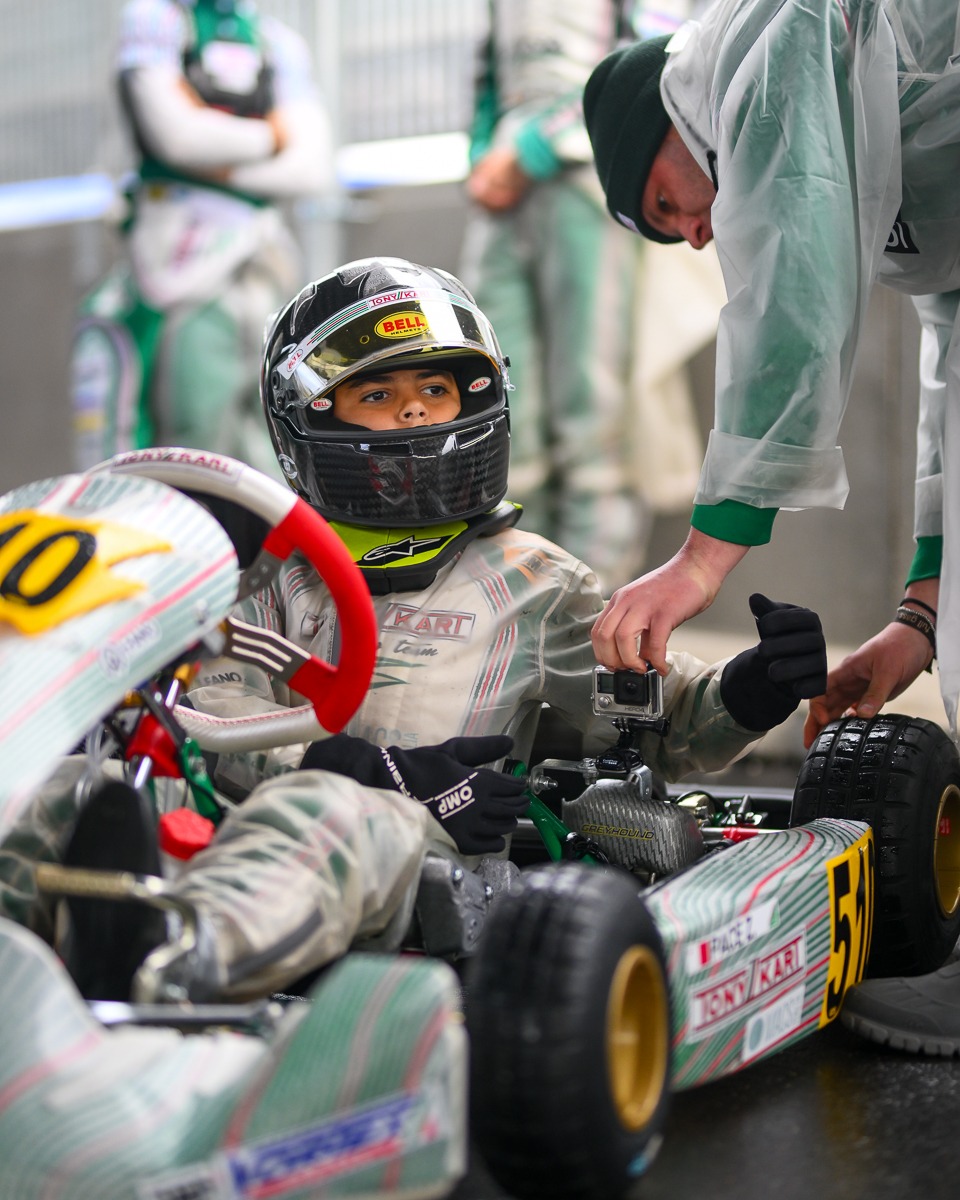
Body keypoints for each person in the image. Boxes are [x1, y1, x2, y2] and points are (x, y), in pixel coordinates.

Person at [0, 256, 826, 1007]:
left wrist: (753, 686)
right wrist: (354, 761)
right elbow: (209, 710)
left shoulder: (535, 582)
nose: (414, 414)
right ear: (308, 423)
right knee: (75, 787)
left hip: (424, 862)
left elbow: (660, 724)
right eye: (378, 397)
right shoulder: (263, 573)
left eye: (434, 390)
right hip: (237, 815)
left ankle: (165, 964)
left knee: (333, 810)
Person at [580, 2, 960, 1048]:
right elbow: (954, 354)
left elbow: (792, 286)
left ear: (667, 120)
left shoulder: (762, 41)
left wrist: (704, 560)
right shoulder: (885, 136)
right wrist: (922, 614)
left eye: (667, 204)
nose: (697, 233)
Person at [459, 1, 714, 594]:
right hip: (502, 194)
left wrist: (530, 149)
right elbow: (488, 72)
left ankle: (590, 604)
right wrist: (482, 156)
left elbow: (662, 59)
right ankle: (516, 594)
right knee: (499, 401)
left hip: (591, 176)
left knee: (594, 404)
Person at [70, 0, 332, 478]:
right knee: (191, 433)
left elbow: (311, 167)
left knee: (276, 437)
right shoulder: (155, 20)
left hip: (266, 263)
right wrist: (273, 137)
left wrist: (217, 161)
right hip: (176, 264)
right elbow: (177, 138)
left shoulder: (277, 42)